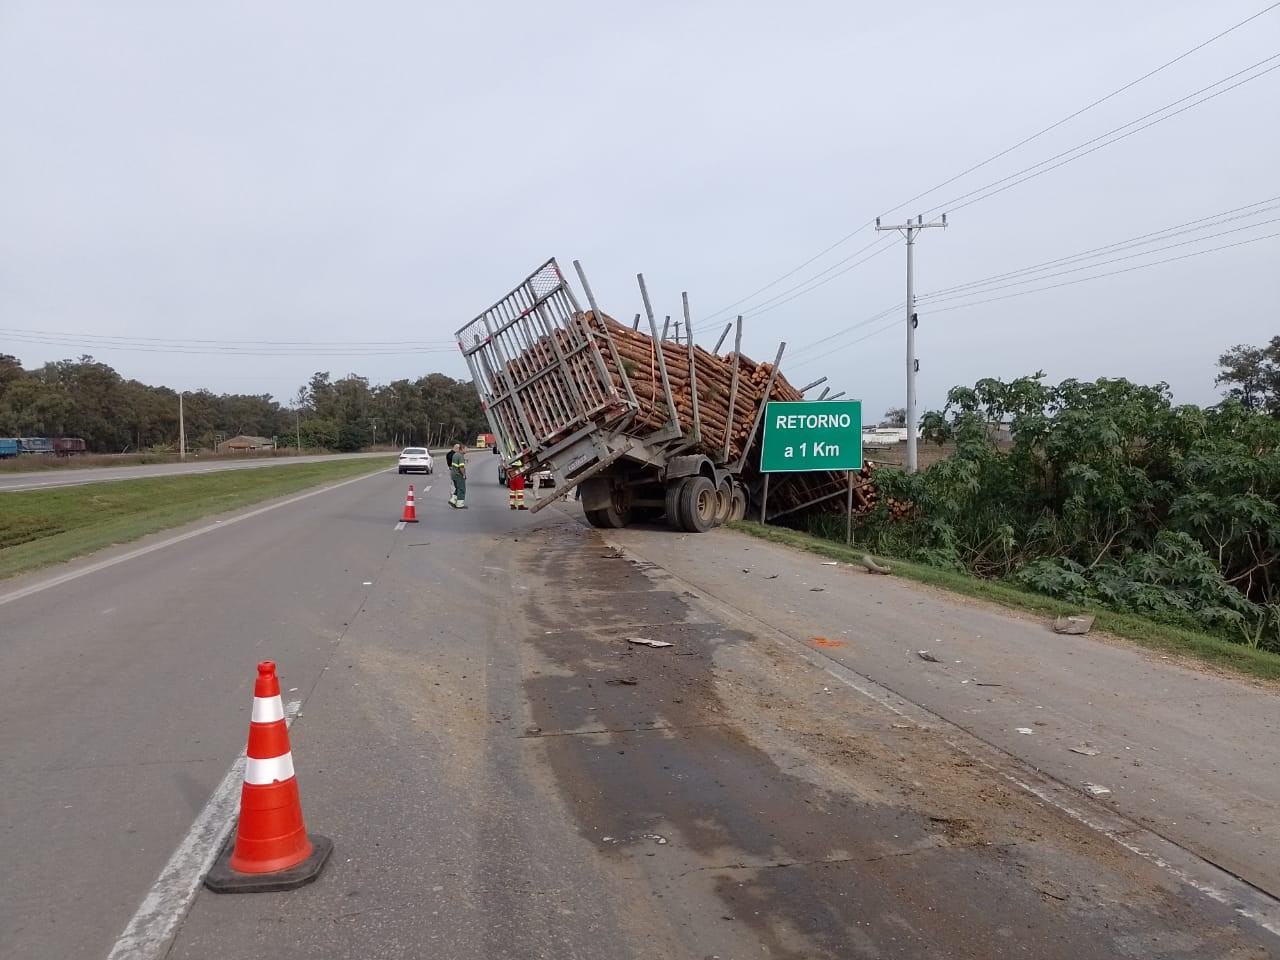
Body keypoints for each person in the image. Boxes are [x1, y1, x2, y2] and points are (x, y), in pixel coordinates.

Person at [448, 443, 467, 508]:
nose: (467, 450)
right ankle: (460, 504)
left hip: (453, 475)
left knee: (458, 488)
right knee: (461, 489)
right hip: (458, 475)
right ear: (462, 449)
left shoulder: (455, 455)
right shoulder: (460, 456)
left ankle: (453, 500)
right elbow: (461, 467)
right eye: (466, 449)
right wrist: (464, 475)